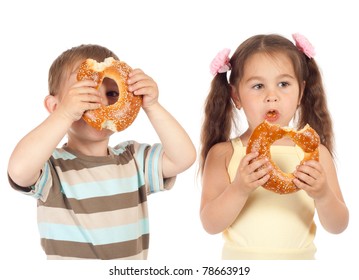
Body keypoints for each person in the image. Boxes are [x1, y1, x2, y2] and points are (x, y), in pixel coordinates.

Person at [7, 44, 196, 260]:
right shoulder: (51, 167)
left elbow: (184, 158)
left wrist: (152, 105)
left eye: (113, 93)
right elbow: (19, 170)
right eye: (87, 94)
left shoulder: (133, 159)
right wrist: (64, 114)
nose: (103, 103)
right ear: (54, 106)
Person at [199, 34, 349, 260]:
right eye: (258, 86)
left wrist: (323, 194)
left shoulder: (315, 153)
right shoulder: (225, 154)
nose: (272, 96)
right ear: (236, 96)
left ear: (301, 91)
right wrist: (239, 188)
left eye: (284, 84)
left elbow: (338, 226)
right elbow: (210, 224)